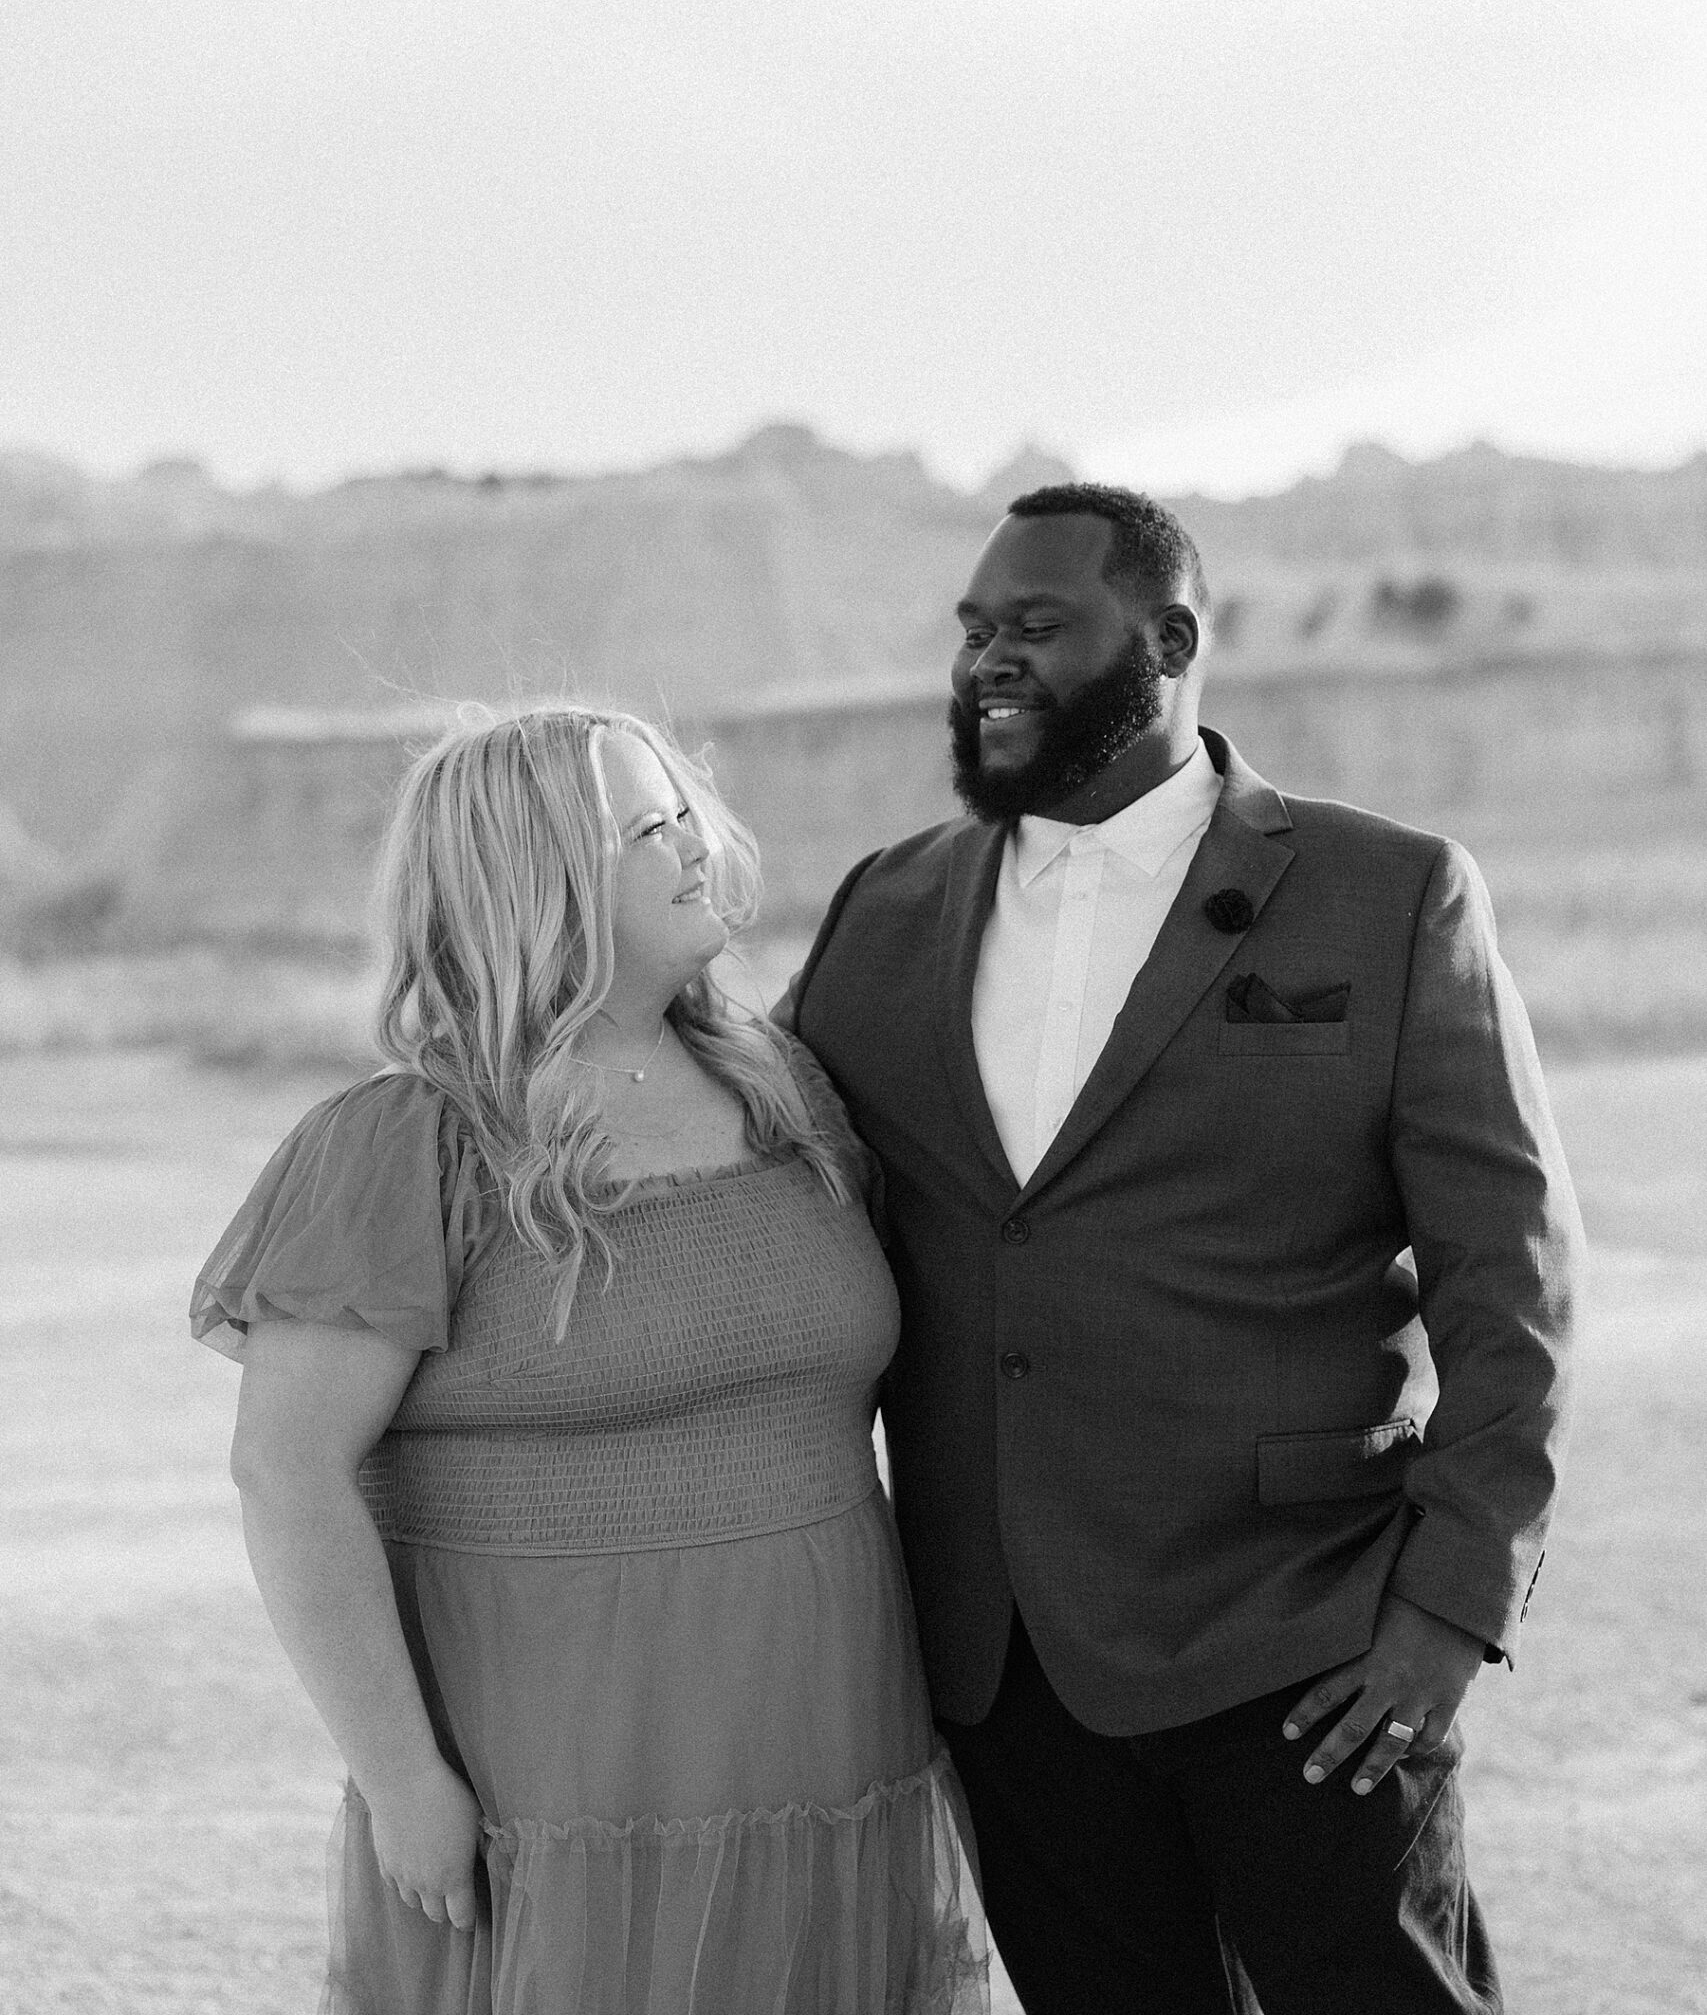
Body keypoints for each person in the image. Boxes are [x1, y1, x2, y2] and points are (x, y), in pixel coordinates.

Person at [778, 483, 1585, 2015]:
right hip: (1006, 1666)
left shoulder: (1386, 892)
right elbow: (761, 1172)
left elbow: (1515, 1279)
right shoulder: (882, 912)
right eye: (971, 634)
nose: (986, 664)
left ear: (1169, 640)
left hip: (1309, 1638)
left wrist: (1450, 1609)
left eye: (1033, 626)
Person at [190, 704, 987, 2015]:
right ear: (543, 874)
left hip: (838, 1754)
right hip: (558, 1801)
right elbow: (286, 1475)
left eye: (686, 809)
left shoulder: (792, 1091)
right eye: (646, 827)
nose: (698, 845)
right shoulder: (410, 1144)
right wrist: (404, 1784)